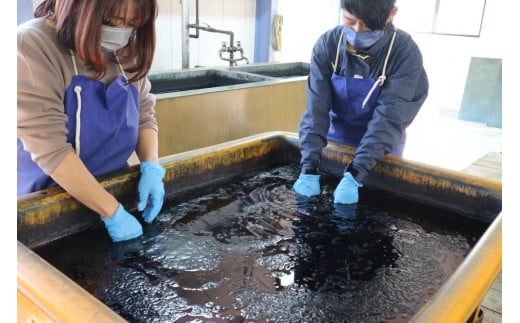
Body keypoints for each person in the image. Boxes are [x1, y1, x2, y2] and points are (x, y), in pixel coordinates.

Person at [17, 0, 165, 243]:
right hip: (46, 204)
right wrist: (113, 213)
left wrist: (151, 166)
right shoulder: (30, 46)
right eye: (111, 21)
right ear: (77, 7)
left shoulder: (126, 48)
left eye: (131, 24)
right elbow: (50, 149)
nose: (121, 32)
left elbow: (144, 114)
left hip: (110, 188)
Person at [293, 0, 428, 204]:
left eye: (368, 25)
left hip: (382, 144)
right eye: (350, 21)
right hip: (335, 139)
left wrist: (355, 174)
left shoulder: (404, 53)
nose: (357, 30)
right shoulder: (328, 44)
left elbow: (390, 117)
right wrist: (309, 166)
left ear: (391, 14)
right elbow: (316, 109)